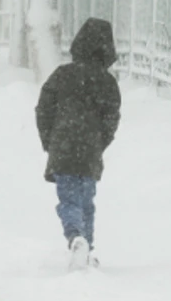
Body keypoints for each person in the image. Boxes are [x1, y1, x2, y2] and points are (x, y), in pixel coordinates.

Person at [34, 18, 122, 269]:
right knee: (86, 201)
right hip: (89, 152)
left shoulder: (63, 75)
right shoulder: (107, 83)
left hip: (62, 147)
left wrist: (49, 139)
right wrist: (98, 143)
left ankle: (75, 238)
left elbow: (43, 109)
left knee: (68, 199)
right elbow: (111, 119)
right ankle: (87, 245)